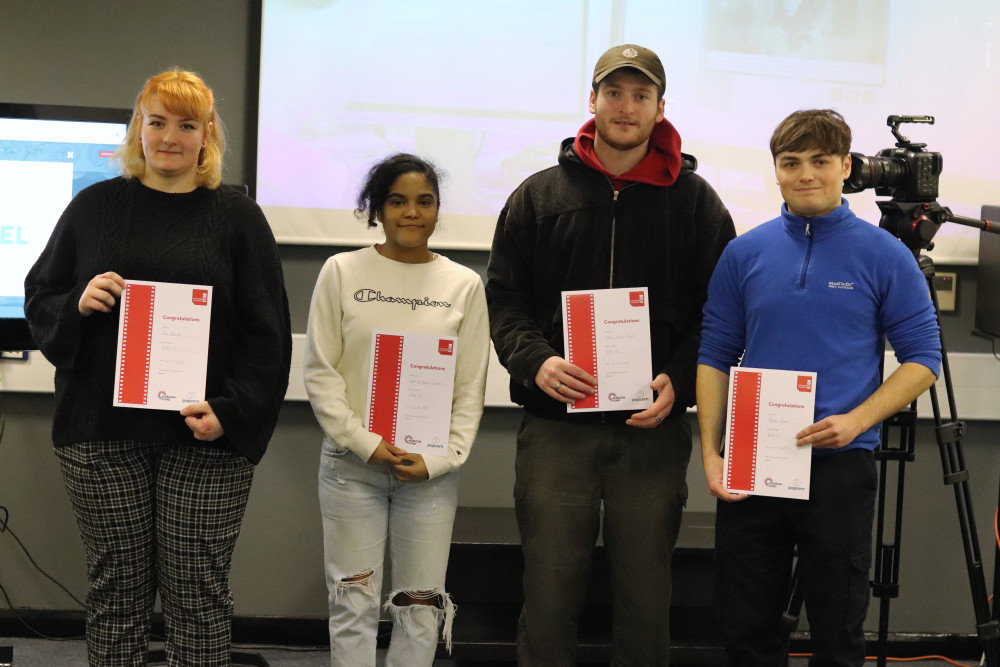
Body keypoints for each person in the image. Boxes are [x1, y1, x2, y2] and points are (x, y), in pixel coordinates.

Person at [23, 69, 292, 666]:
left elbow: (267, 334)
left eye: (187, 125)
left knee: (197, 595)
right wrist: (77, 302)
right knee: (116, 593)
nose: (170, 137)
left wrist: (230, 411)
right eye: (158, 122)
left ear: (208, 134)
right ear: (138, 128)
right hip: (102, 432)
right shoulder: (93, 207)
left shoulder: (237, 216)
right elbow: (40, 298)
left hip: (204, 435)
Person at [486, 44, 736, 666]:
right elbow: (505, 299)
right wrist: (535, 360)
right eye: (615, 93)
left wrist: (679, 379)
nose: (627, 107)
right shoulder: (537, 197)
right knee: (546, 592)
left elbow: (720, 312)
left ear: (659, 108)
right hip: (555, 430)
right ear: (592, 100)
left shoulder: (697, 204)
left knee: (646, 595)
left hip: (651, 431)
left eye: (641, 95)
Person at [697, 108, 942, 666]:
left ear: (845, 166)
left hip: (840, 464)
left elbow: (924, 358)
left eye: (820, 161)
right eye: (791, 163)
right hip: (752, 464)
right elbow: (714, 355)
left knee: (837, 632)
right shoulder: (744, 253)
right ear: (776, 172)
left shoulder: (885, 255)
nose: (806, 174)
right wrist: (712, 452)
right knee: (745, 630)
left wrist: (858, 420)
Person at [303, 153, 490, 667]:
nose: (412, 212)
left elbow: (470, 386)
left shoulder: (464, 285)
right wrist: (365, 442)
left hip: (427, 474)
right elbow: (321, 372)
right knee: (352, 605)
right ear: (377, 209)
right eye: (398, 201)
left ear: (437, 210)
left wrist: (443, 459)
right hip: (351, 468)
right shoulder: (340, 271)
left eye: (424, 201)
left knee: (420, 610)